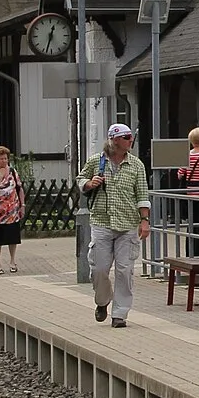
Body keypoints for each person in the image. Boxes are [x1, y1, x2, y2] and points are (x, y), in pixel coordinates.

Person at [80, 123, 151, 328]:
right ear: (115, 140)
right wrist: (88, 183)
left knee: (125, 270)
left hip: (128, 223)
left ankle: (120, 314)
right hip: (102, 222)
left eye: (131, 137)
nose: (131, 140)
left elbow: (142, 194)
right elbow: (80, 179)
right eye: (127, 137)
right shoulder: (96, 161)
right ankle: (103, 301)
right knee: (99, 269)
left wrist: (144, 221)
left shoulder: (136, 165)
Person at [0, 145, 27, 275]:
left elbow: (19, 188)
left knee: (13, 237)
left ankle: (13, 262)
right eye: (1, 159)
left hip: (12, 210)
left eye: (6, 158)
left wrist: (22, 205)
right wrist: (0, 176)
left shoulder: (12, 171)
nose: (4, 161)